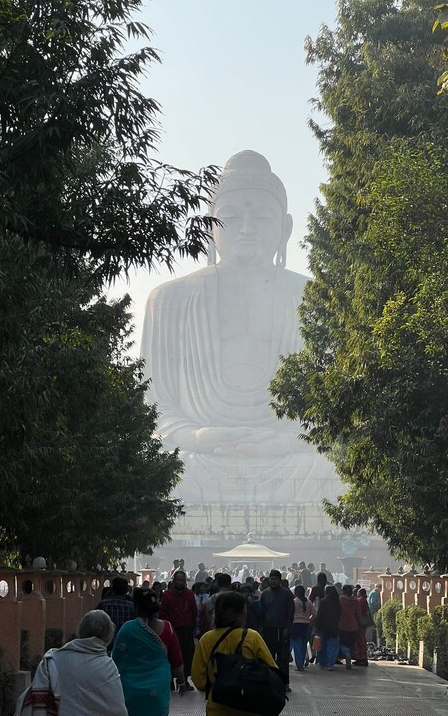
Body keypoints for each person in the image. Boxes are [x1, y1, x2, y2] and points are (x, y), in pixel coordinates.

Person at [141, 150, 340, 509]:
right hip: (199, 458)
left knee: (330, 465)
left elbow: (332, 410)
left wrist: (287, 440)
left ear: (286, 227)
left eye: (262, 217)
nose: (247, 228)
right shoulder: (169, 300)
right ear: (208, 226)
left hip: (291, 458)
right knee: (168, 468)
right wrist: (200, 436)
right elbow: (154, 409)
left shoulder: (317, 300)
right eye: (230, 217)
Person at [16, 610, 127, 716]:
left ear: (81, 631)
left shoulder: (54, 659)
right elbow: (118, 710)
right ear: (108, 635)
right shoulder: (108, 666)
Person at [191, 591, 279, 716]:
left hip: (217, 707)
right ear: (242, 613)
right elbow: (273, 670)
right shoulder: (252, 637)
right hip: (250, 706)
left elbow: (198, 680)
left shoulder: (207, 639)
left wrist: (217, 686)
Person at [112, 588, 185, 716]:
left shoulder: (127, 629)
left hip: (131, 688)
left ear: (136, 605)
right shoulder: (168, 628)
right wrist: (181, 681)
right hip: (158, 685)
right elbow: (176, 659)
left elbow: (116, 659)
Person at [158, 570, 198, 691]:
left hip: (186, 629)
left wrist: (193, 626)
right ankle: (170, 681)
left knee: (186, 655)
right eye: (178, 580)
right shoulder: (167, 595)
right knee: (170, 655)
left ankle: (184, 681)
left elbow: (194, 611)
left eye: (182, 580)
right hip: (172, 629)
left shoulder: (190, 594)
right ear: (174, 581)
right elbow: (163, 613)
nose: (180, 582)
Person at [259, 569, 294, 690]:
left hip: (282, 630)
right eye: (271, 579)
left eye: (276, 579)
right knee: (268, 656)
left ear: (280, 580)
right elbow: (261, 612)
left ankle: (284, 683)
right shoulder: (264, 594)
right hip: (268, 629)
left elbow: (291, 613)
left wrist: (288, 628)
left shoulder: (287, 594)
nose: (273, 581)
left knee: (283, 657)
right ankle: (270, 682)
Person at [96, 576, 134, 649]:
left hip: (106, 644)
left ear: (112, 589)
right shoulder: (132, 607)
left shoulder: (103, 605)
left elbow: (95, 622)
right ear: (126, 590)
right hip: (126, 644)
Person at [315, 585, 341, 671]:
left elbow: (319, 615)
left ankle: (323, 663)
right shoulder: (338, 602)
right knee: (332, 647)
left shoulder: (323, 601)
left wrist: (316, 626)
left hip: (323, 627)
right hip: (334, 627)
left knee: (322, 646)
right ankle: (330, 664)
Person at [290, 585, 314, 671]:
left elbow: (290, 613)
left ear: (296, 593)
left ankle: (299, 665)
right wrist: (309, 620)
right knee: (304, 646)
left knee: (297, 646)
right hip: (306, 625)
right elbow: (314, 614)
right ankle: (303, 663)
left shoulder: (294, 601)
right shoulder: (309, 602)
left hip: (296, 625)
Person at [339, 585, 360, 669]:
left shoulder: (340, 600)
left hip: (342, 625)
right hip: (353, 625)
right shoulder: (355, 601)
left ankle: (346, 654)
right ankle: (349, 655)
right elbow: (358, 614)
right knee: (351, 644)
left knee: (341, 642)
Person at [353, 588, 370, 666]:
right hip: (362, 623)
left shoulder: (360, 600)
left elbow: (357, 611)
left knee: (360, 641)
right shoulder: (364, 600)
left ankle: (361, 658)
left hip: (359, 623)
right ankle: (361, 658)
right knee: (362, 640)